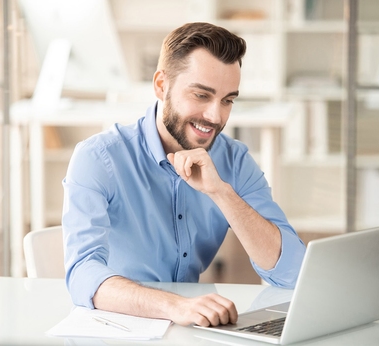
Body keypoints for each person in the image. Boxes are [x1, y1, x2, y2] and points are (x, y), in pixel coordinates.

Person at [62, 22, 306, 327]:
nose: (216, 117)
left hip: (190, 329)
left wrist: (221, 193)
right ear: (161, 86)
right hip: (117, 326)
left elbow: (294, 272)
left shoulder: (235, 160)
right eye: (201, 95)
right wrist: (174, 306)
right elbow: (83, 274)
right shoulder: (99, 158)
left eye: (228, 100)